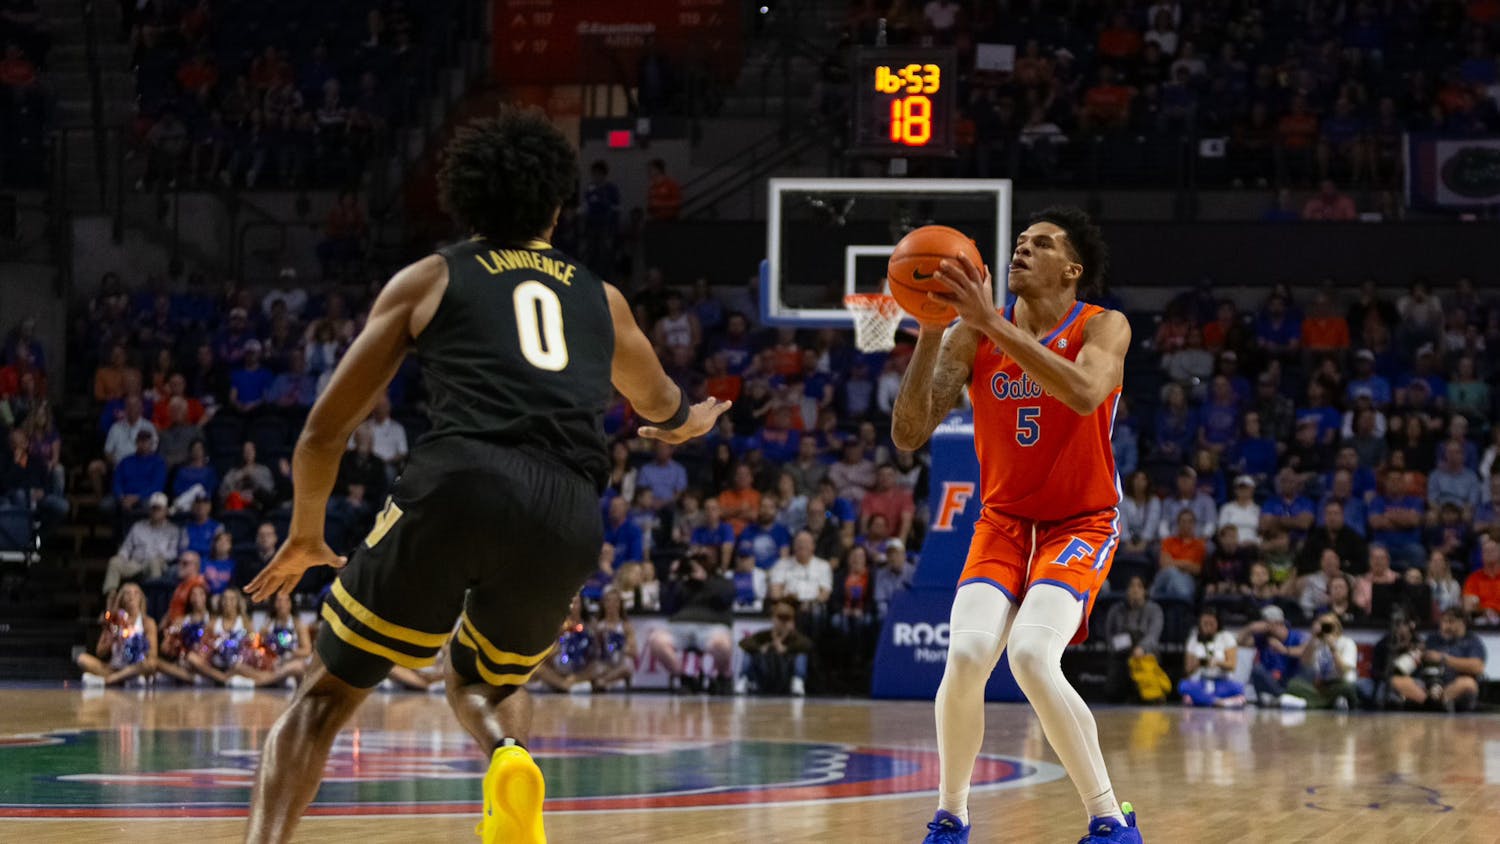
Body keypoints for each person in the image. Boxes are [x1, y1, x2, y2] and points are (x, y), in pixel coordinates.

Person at [240, 110, 728, 844]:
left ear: (464, 199)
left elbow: (322, 431)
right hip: (568, 509)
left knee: (326, 694)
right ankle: (506, 757)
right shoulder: (602, 297)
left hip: (462, 481)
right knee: (486, 681)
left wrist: (309, 532)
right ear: (557, 206)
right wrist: (687, 423)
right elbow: (659, 402)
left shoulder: (432, 277)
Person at [892, 207, 1142, 842]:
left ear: (1072, 268)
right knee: (969, 654)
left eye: (1041, 244)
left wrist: (990, 324)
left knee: (1032, 655)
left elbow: (1085, 393)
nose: (1021, 251)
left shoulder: (1104, 325)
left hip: (1081, 522)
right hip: (1003, 522)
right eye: (1020, 243)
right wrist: (929, 330)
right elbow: (909, 433)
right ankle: (951, 817)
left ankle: (1110, 821)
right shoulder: (971, 336)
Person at [648, 549, 737, 693]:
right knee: (656, 641)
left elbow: (725, 598)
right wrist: (673, 576)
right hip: (679, 626)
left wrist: (706, 580)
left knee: (722, 645)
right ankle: (685, 677)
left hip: (712, 627)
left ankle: (723, 676)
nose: (696, 565)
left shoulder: (721, 581)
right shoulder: (681, 583)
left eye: (701, 561)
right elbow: (666, 605)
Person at [1389, 608, 1486, 712]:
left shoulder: (1472, 641)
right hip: (1427, 684)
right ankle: (1431, 703)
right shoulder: (1433, 639)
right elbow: (1415, 659)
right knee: (1397, 680)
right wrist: (1416, 655)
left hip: (1452, 686)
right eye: (1443, 621)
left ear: (1462, 622)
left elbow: (1477, 667)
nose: (1445, 626)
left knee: (1468, 683)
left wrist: (1443, 658)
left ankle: (1439, 702)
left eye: (1450, 621)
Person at [77, 584, 158, 687]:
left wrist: (136, 645)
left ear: (141, 598)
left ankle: (108, 681)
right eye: (127, 593)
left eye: (136, 593)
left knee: (150, 664)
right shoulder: (113, 620)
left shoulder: (148, 622)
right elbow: (99, 652)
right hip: (114, 668)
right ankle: (125, 680)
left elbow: (153, 656)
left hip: (136, 667)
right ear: (122, 598)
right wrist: (112, 640)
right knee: (82, 659)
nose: (131, 596)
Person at [230, 591, 313, 689]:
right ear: (274, 604)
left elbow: (307, 651)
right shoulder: (268, 625)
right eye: (279, 600)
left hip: (288, 664)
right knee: (238, 666)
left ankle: (257, 683)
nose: (282, 604)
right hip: (271, 666)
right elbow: (256, 647)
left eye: (286, 600)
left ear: (291, 604)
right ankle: (269, 680)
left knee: (298, 666)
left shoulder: (298, 625)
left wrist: (289, 653)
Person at [735, 597, 814, 696]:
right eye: (780, 618)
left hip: (785, 679)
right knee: (749, 651)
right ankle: (745, 679)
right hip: (764, 677)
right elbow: (743, 643)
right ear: (773, 618)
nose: (783, 622)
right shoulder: (765, 635)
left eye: (787, 619)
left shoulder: (795, 638)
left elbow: (808, 644)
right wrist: (762, 648)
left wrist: (786, 649)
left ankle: (797, 681)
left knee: (801, 654)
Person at [102, 493, 179, 594]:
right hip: (135, 563)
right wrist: (122, 557)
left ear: (165, 510)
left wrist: (161, 557)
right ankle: (111, 598)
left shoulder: (172, 530)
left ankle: (153, 601)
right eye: (153, 508)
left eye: (158, 509)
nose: (155, 511)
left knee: (154, 563)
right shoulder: (138, 526)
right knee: (114, 562)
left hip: (157, 564)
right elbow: (126, 548)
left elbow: (173, 552)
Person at [1101, 576, 1163, 702]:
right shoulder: (1115, 610)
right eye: (1131, 586)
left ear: (1145, 591)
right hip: (1121, 654)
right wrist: (1125, 645)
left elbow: (1153, 635)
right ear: (1126, 590)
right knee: (1111, 693)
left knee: (1147, 697)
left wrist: (1141, 648)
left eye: (1139, 586)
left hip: (1145, 655)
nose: (1135, 590)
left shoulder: (1155, 610)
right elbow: (1109, 636)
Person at [1281, 612, 1358, 709]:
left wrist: (1333, 649)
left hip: (1341, 683)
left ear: (1337, 626)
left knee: (1348, 689)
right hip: (1323, 687)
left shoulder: (1347, 643)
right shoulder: (1318, 644)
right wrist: (1313, 638)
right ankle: (1329, 702)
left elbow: (1344, 672)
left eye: (1329, 625)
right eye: (1323, 625)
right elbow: (1304, 663)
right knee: (1293, 685)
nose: (1326, 629)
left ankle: (1312, 703)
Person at [1237, 605, 1306, 707]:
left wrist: (1284, 650)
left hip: (1287, 680)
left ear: (1276, 623)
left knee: (1304, 672)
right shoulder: (1263, 637)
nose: (1262, 625)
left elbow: (1304, 651)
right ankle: (1279, 698)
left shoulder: (1295, 635)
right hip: (1269, 679)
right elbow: (1240, 641)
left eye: (1265, 622)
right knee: (1257, 670)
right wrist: (1250, 628)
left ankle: (1280, 698)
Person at [1178, 610, 1245, 707]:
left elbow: (1232, 665)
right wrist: (1199, 663)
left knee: (1238, 688)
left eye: (1211, 624)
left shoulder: (1226, 637)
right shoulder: (1193, 640)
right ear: (1200, 624)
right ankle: (1219, 702)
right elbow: (1188, 670)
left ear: (1218, 623)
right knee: (1183, 686)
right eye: (1205, 624)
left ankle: (1203, 700)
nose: (1208, 627)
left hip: (1222, 682)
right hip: (1203, 682)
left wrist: (1218, 663)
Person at [590, 588, 636, 691]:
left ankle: (603, 681)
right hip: (603, 663)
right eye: (608, 601)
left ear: (620, 604)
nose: (612, 605)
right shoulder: (597, 626)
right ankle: (601, 682)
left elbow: (634, 652)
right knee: (592, 667)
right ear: (603, 604)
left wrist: (619, 645)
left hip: (619, 663)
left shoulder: (625, 626)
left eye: (615, 601)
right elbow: (593, 651)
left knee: (628, 666)